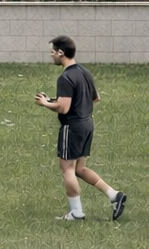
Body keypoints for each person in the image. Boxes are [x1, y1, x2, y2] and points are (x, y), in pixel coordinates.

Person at [35, 36, 125, 222]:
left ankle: (76, 213)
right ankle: (114, 195)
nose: (51, 55)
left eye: (53, 52)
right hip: (87, 124)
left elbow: (64, 108)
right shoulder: (84, 72)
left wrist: (45, 103)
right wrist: (56, 100)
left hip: (72, 127)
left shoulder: (66, 77)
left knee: (67, 169)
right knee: (80, 169)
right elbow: (95, 98)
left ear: (61, 53)